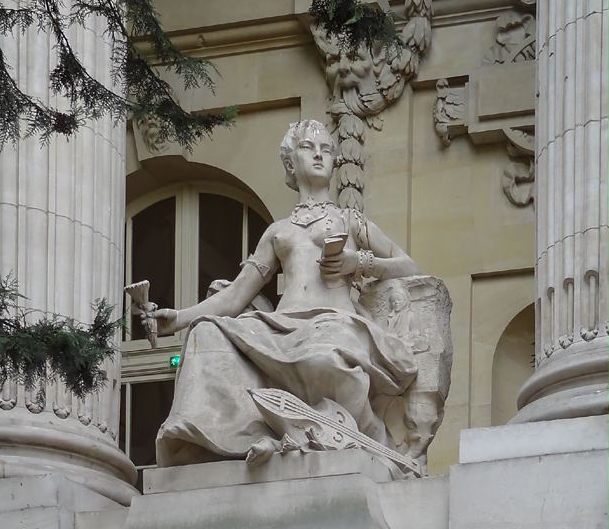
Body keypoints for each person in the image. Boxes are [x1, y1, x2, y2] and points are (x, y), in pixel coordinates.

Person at [152, 119, 422, 468]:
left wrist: (358, 262)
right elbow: (235, 296)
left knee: (324, 356)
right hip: (283, 327)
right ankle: (207, 440)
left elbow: (409, 266)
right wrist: (179, 318)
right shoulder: (278, 232)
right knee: (205, 331)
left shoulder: (350, 220)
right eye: (309, 148)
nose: (320, 154)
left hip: (335, 324)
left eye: (326, 149)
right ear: (291, 163)